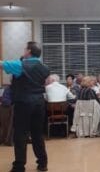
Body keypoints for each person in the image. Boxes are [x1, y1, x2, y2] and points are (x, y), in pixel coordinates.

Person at [0, 41, 50, 172]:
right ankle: (43, 163)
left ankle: (19, 166)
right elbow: (45, 83)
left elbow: (1, 64)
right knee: (37, 134)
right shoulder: (45, 67)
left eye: (25, 49)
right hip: (39, 103)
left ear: (28, 51)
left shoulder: (20, 65)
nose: (23, 51)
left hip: (24, 102)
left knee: (20, 134)